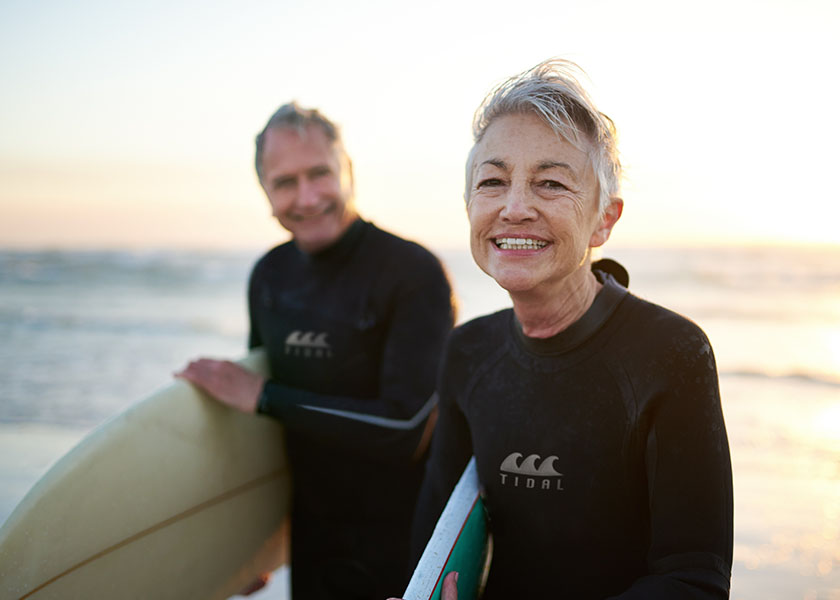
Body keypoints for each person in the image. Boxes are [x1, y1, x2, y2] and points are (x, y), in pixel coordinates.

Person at [394, 59, 733, 600]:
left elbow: (694, 580)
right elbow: (434, 547)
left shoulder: (671, 353)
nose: (515, 207)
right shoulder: (468, 351)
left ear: (605, 218)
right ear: (469, 208)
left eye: (550, 183)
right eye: (493, 181)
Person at [177, 102, 455, 600]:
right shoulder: (270, 278)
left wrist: (265, 397)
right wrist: (249, 545)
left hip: (405, 549)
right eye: (284, 182)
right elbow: (267, 440)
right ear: (265, 191)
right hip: (313, 550)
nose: (306, 197)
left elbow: (405, 429)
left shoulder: (412, 274)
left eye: (320, 174)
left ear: (348, 172)